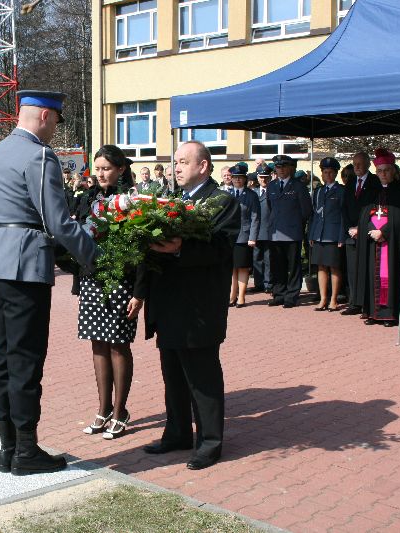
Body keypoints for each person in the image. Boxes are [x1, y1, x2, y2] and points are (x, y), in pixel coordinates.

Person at [0, 90, 98, 476]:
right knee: (26, 359)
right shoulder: (38, 155)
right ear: (45, 116)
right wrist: (93, 255)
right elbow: (58, 221)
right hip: (23, 264)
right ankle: (26, 451)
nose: (54, 133)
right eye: (55, 123)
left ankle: (8, 446)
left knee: (2, 357)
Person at [141, 140, 240, 471]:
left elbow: (221, 249)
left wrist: (180, 248)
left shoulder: (221, 201)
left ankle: (210, 441)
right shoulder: (171, 201)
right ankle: (178, 432)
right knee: (173, 374)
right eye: (175, 162)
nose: (176, 167)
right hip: (169, 303)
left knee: (202, 376)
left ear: (203, 166)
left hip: (199, 306)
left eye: (184, 162)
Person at [79, 145, 143, 441]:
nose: (101, 173)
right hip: (94, 281)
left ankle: (120, 411)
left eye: (107, 168)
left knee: (118, 346)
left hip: (123, 282)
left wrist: (139, 293)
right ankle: (103, 409)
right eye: (98, 168)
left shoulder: (134, 200)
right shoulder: (89, 199)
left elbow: (144, 250)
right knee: (98, 346)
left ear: (120, 169)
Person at [353, 149, 400, 326]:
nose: (383, 174)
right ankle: (373, 312)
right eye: (379, 171)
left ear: (393, 171)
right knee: (372, 276)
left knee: (389, 275)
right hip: (372, 243)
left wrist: (384, 232)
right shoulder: (372, 191)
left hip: (391, 243)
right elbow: (364, 215)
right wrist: (370, 229)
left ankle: (388, 314)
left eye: (386, 170)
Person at [267, 154, 312, 308]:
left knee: (293, 266)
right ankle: (279, 294)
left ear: (289, 168)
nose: (280, 170)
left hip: (292, 232)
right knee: (277, 265)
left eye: (283, 166)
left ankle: (291, 295)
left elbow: (306, 210)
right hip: (275, 232)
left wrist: (296, 224)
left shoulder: (298, 186)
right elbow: (270, 207)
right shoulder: (272, 186)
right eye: (278, 167)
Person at [341, 151, 381, 315]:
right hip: (351, 233)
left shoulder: (375, 182)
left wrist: (361, 228)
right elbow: (344, 208)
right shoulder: (350, 182)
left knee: (366, 269)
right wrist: (349, 228)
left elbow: (376, 208)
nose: (356, 167)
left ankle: (367, 303)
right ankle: (354, 302)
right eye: (354, 163)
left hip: (367, 232)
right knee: (352, 270)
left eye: (360, 164)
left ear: (368, 164)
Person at [308, 158, 347, 311]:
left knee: (334, 267)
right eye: (325, 172)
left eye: (331, 172)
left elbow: (344, 215)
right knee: (321, 267)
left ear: (336, 173)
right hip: (319, 233)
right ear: (322, 174)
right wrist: (312, 234)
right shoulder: (318, 191)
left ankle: (333, 299)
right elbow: (314, 215)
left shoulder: (341, 191)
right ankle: (323, 299)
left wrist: (341, 236)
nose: (328, 175)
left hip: (333, 234)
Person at [227, 163, 259, 307]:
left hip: (244, 237)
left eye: (240, 177)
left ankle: (241, 297)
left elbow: (255, 217)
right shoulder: (227, 194)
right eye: (235, 177)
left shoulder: (251, 195)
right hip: (229, 237)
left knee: (242, 267)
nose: (237, 180)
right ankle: (231, 296)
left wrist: (252, 237)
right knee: (231, 268)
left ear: (245, 179)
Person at [252, 164, 273, 293]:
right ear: (257, 178)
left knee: (268, 259)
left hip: (269, 230)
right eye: (261, 177)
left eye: (266, 177)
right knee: (256, 258)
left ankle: (268, 284)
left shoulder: (273, 191)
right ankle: (258, 283)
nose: (263, 180)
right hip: (255, 231)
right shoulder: (253, 193)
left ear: (270, 177)